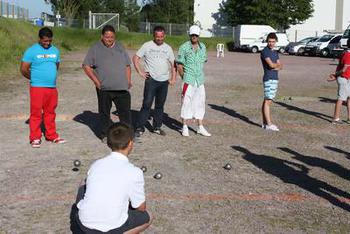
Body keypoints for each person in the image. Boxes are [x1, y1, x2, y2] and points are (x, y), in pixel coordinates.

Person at [76, 123, 152, 233]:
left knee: (84, 183)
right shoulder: (134, 172)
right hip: (113, 225)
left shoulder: (96, 164)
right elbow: (141, 208)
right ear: (131, 143)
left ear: (108, 144)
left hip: (84, 223)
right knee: (148, 217)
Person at [83, 25, 132, 143]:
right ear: (102, 36)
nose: (109, 39)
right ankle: (105, 134)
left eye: (111, 37)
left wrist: (128, 80)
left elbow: (127, 66)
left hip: (121, 88)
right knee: (104, 113)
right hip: (104, 88)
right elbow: (86, 66)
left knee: (125, 113)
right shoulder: (95, 48)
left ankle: (128, 136)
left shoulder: (120, 47)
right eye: (107, 37)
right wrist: (96, 81)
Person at [20, 27, 66, 148]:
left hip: (51, 87)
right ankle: (35, 138)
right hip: (37, 87)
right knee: (36, 113)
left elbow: (56, 65)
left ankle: (52, 135)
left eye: (49, 41)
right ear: (39, 39)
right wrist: (34, 78)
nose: (47, 43)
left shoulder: (55, 50)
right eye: (45, 41)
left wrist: (49, 76)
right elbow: (23, 69)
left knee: (50, 112)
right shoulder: (31, 51)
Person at [133, 26, 176, 137]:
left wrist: (173, 78)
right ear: (154, 36)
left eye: (161, 36)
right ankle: (140, 127)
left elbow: (173, 64)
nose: (159, 39)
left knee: (160, 105)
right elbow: (136, 58)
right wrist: (140, 72)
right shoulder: (147, 46)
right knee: (147, 104)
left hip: (164, 81)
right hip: (151, 80)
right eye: (157, 36)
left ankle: (157, 127)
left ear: (164, 36)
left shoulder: (168, 48)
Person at [176, 25, 211, 137]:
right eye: (192, 35)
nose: (194, 37)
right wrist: (184, 77)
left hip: (200, 79)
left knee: (200, 102)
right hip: (188, 79)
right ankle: (184, 126)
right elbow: (179, 65)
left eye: (196, 35)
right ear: (189, 35)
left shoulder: (203, 47)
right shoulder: (184, 47)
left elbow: (203, 61)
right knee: (186, 102)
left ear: (199, 36)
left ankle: (200, 126)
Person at [260, 32, 283, 131]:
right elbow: (271, 65)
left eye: (273, 41)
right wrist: (275, 66)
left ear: (276, 41)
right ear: (267, 41)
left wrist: (276, 66)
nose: (271, 43)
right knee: (268, 101)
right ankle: (269, 124)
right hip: (269, 78)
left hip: (275, 78)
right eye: (269, 41)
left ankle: (265, 123)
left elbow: (280, 66)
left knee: (267, 100)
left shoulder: (275, 52)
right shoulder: (265, 51)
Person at [327, 38, 350, 123]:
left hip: (347, 78)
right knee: (341, 98)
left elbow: (339, 66)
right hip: (344, 78)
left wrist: (335, 75)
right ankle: (336, 118)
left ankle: (349, 118)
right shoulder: (347, 54)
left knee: (349, 98)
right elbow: (343, 69)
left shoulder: (345, 53)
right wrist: (335, 75)